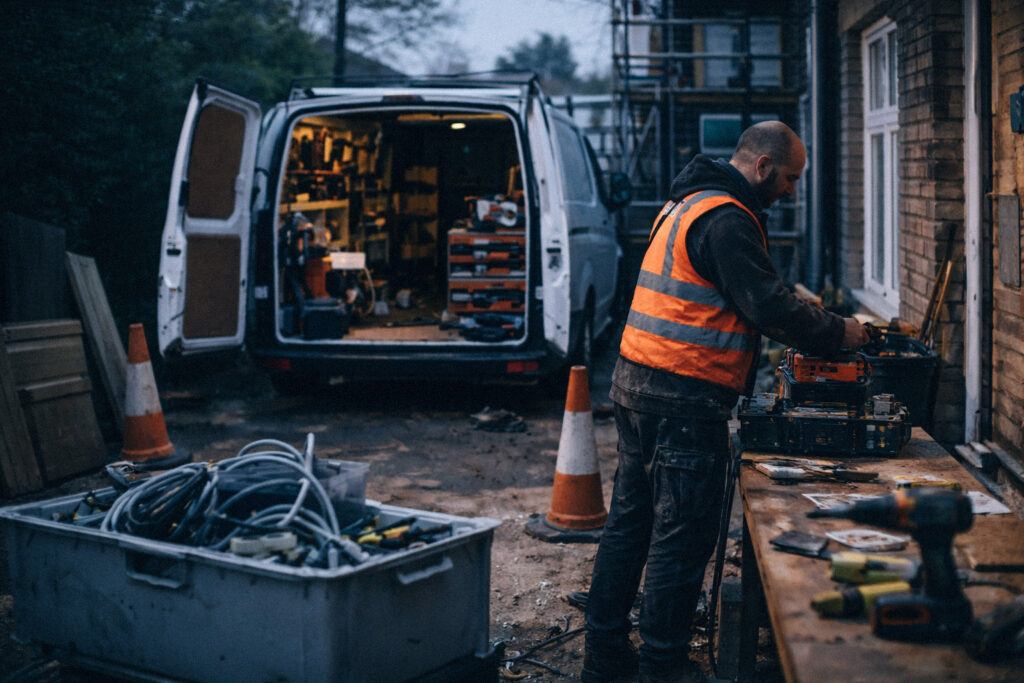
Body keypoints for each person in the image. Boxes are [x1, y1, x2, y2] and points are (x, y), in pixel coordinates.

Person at [582, 121, 869, 683]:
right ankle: (662, 668)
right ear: (762, 166)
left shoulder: (686, 204)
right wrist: (843, 334)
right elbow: (771, 307)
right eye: (789, 178)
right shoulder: (727, 221)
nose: (791, 190)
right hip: (683, 399)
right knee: (680, 538)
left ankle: (606, 655)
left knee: (630, 526)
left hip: (638, 387)